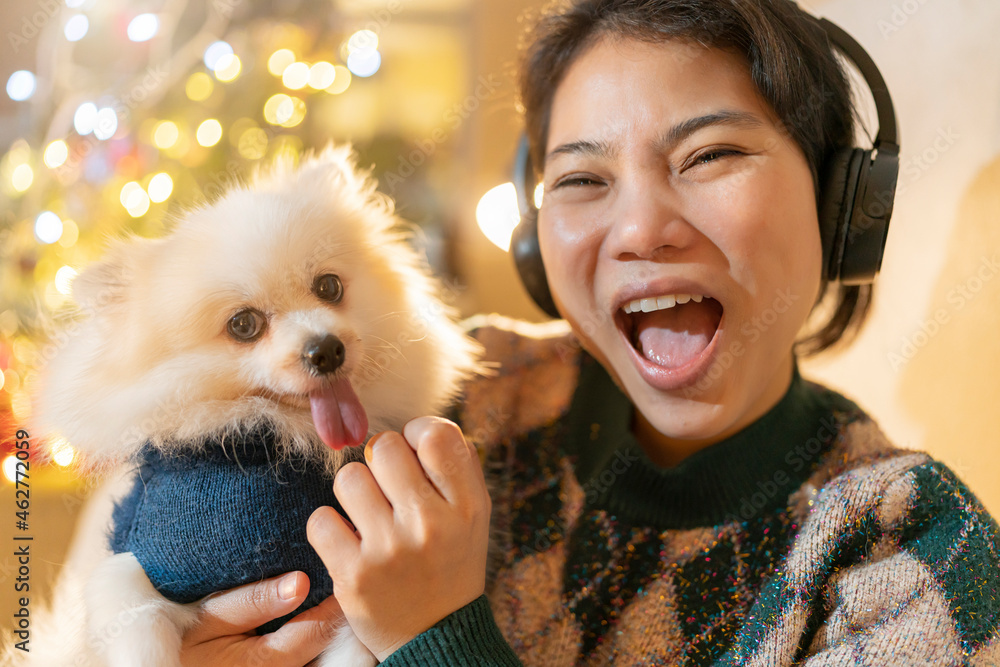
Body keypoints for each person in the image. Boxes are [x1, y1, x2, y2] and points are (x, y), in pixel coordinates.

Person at [180, 0, 1000, 664]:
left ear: (840, 204)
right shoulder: (452, 392)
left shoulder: (915, 551)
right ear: (537, 243)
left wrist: (437, 640)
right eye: (581, 178)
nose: (641, 228)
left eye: (709, 155)